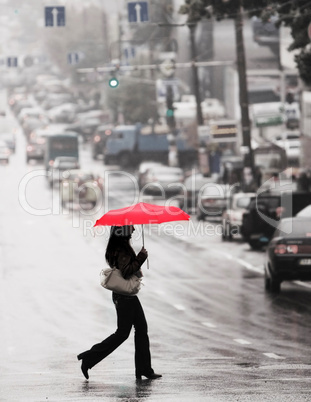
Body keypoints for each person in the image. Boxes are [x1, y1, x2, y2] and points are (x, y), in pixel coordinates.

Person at [77, 225, 162, 381]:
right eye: (131, 228)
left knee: (141, 329)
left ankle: (144, 369)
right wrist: (141, 257)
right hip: (125, 297)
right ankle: (89, 358)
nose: (134, 230)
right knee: (122, 333)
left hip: (124, 296)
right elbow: (126, 270)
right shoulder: (120, 248)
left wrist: (138, 260)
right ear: (123, 231)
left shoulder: (118, 246)